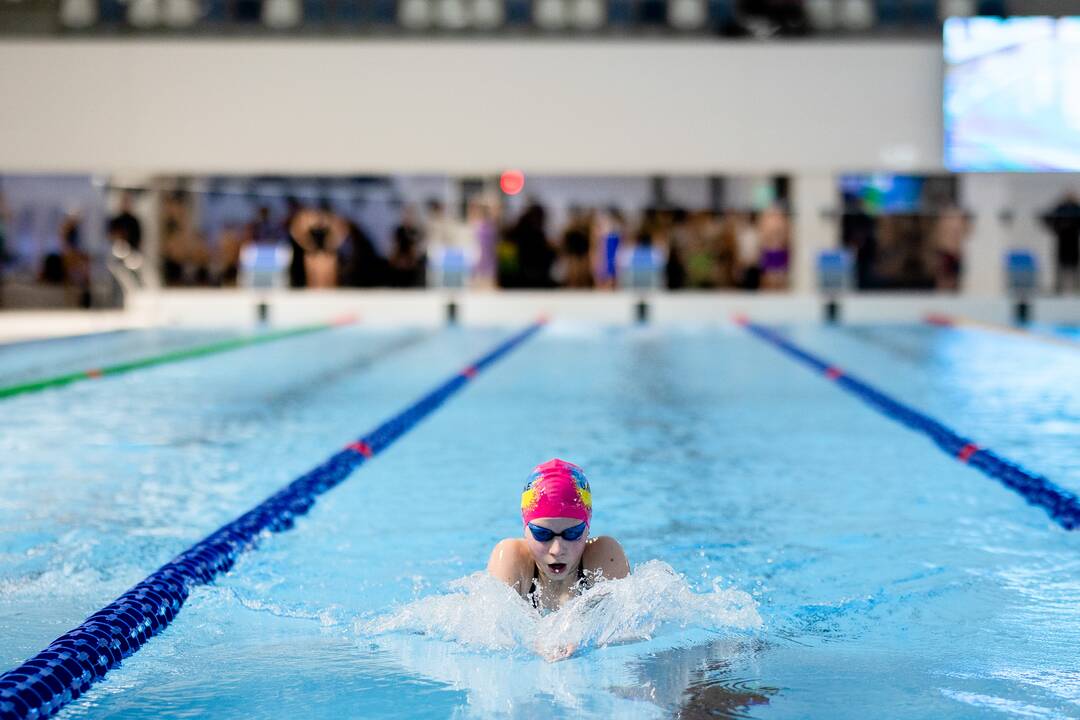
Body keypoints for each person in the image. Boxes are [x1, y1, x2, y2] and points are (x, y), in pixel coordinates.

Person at [487, 459, 629, 617]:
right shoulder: (510, 557)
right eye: (542, 534)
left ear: (587, 528)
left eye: (572, 533)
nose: (557, 550)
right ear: (525, 528)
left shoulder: (605, 555)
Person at [1041, 192, 1080, 294]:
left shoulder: (1076, 207)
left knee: (1074, 266)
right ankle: (1058, 287)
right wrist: (1057, 227)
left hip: (1073, 242)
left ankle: (1076, 287)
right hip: (1062, 241)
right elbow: (1047, 218)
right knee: (1060, 265)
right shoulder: (1061, 207)